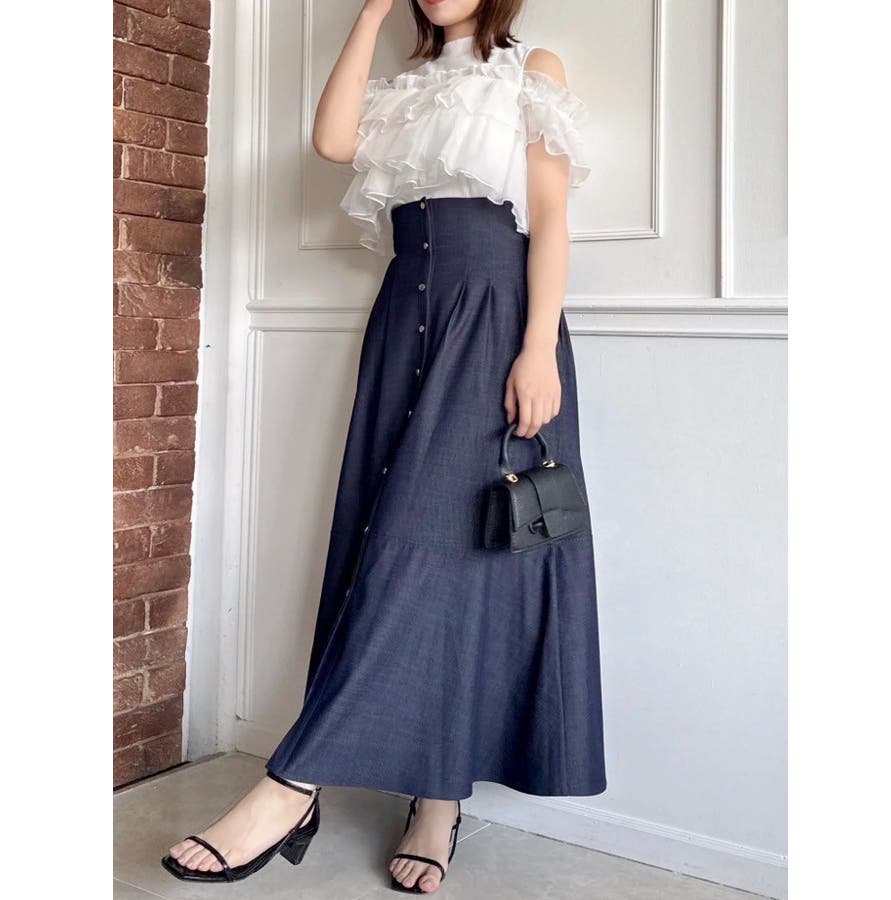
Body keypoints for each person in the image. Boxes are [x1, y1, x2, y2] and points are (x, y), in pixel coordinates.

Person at [161, 0, 606, 892]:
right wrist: (368, 13)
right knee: (385, 537)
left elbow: (550, 220)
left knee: (449, 548)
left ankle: (309, 787)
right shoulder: (409, 86)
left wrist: (535, 348)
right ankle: (425, 795)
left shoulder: (531, 71)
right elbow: (331, 140)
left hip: (495, 320)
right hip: (407, 315)